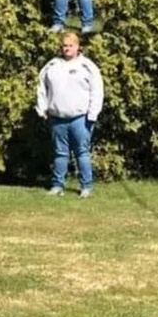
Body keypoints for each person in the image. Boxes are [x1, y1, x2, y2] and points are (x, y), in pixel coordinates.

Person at [36, 30, 104, 197]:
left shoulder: (87, 66)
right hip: (57, 119)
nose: (67, 49)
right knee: (60, 153)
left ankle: (86, 187)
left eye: (70, 46)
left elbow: (97, 90)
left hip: (81, 119)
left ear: (77, 47)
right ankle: (58, 186)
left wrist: (92, 114)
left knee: (82, 153)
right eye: (64, 46)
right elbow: (41, 88)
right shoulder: (52, 66)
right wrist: (42, 109)